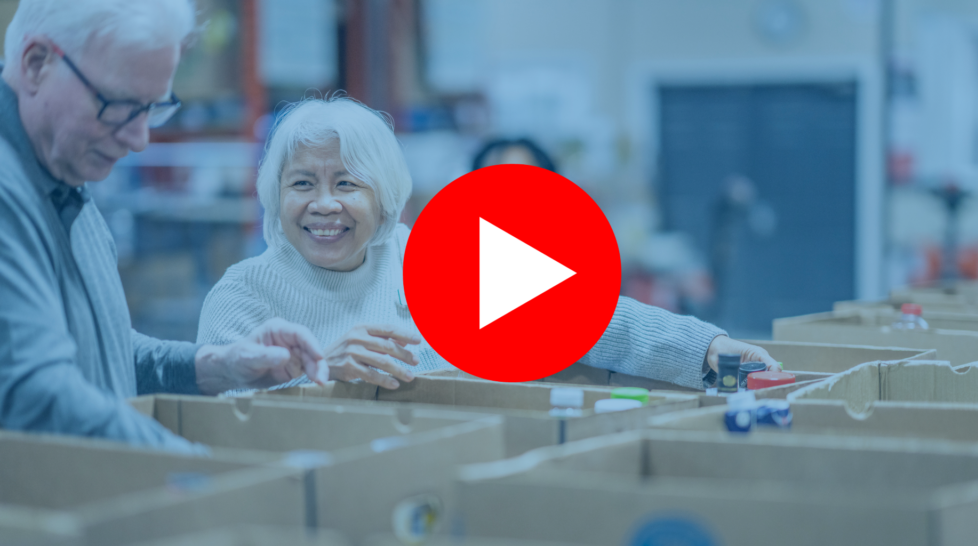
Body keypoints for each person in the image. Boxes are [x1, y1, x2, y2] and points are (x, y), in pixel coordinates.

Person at [198, 97, 779, 391]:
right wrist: (322, 379)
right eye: (303, 184)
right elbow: (219, 422)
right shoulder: (243, 297)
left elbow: (595, 321)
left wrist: (710, 351)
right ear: (275, 196)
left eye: (346, 183)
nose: (324, 204)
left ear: (387, 195)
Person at [0, 0, 329, 454]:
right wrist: (205, 473)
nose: (138, 139)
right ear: (37, 64)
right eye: (118, 105)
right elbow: (36, 396)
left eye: (153, 108)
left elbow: (99, 352)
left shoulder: (61, 171)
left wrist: (217, 365)